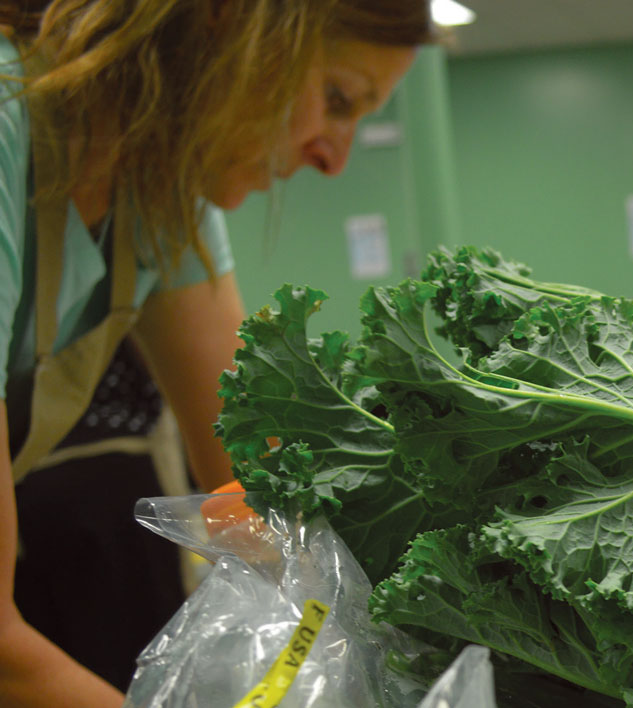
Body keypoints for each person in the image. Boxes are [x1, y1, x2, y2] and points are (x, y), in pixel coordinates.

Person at [0, 2, 433, 706]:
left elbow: (267, 503)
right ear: (229, 22)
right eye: (336, 98)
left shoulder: (159, 185)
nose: (335, 158)